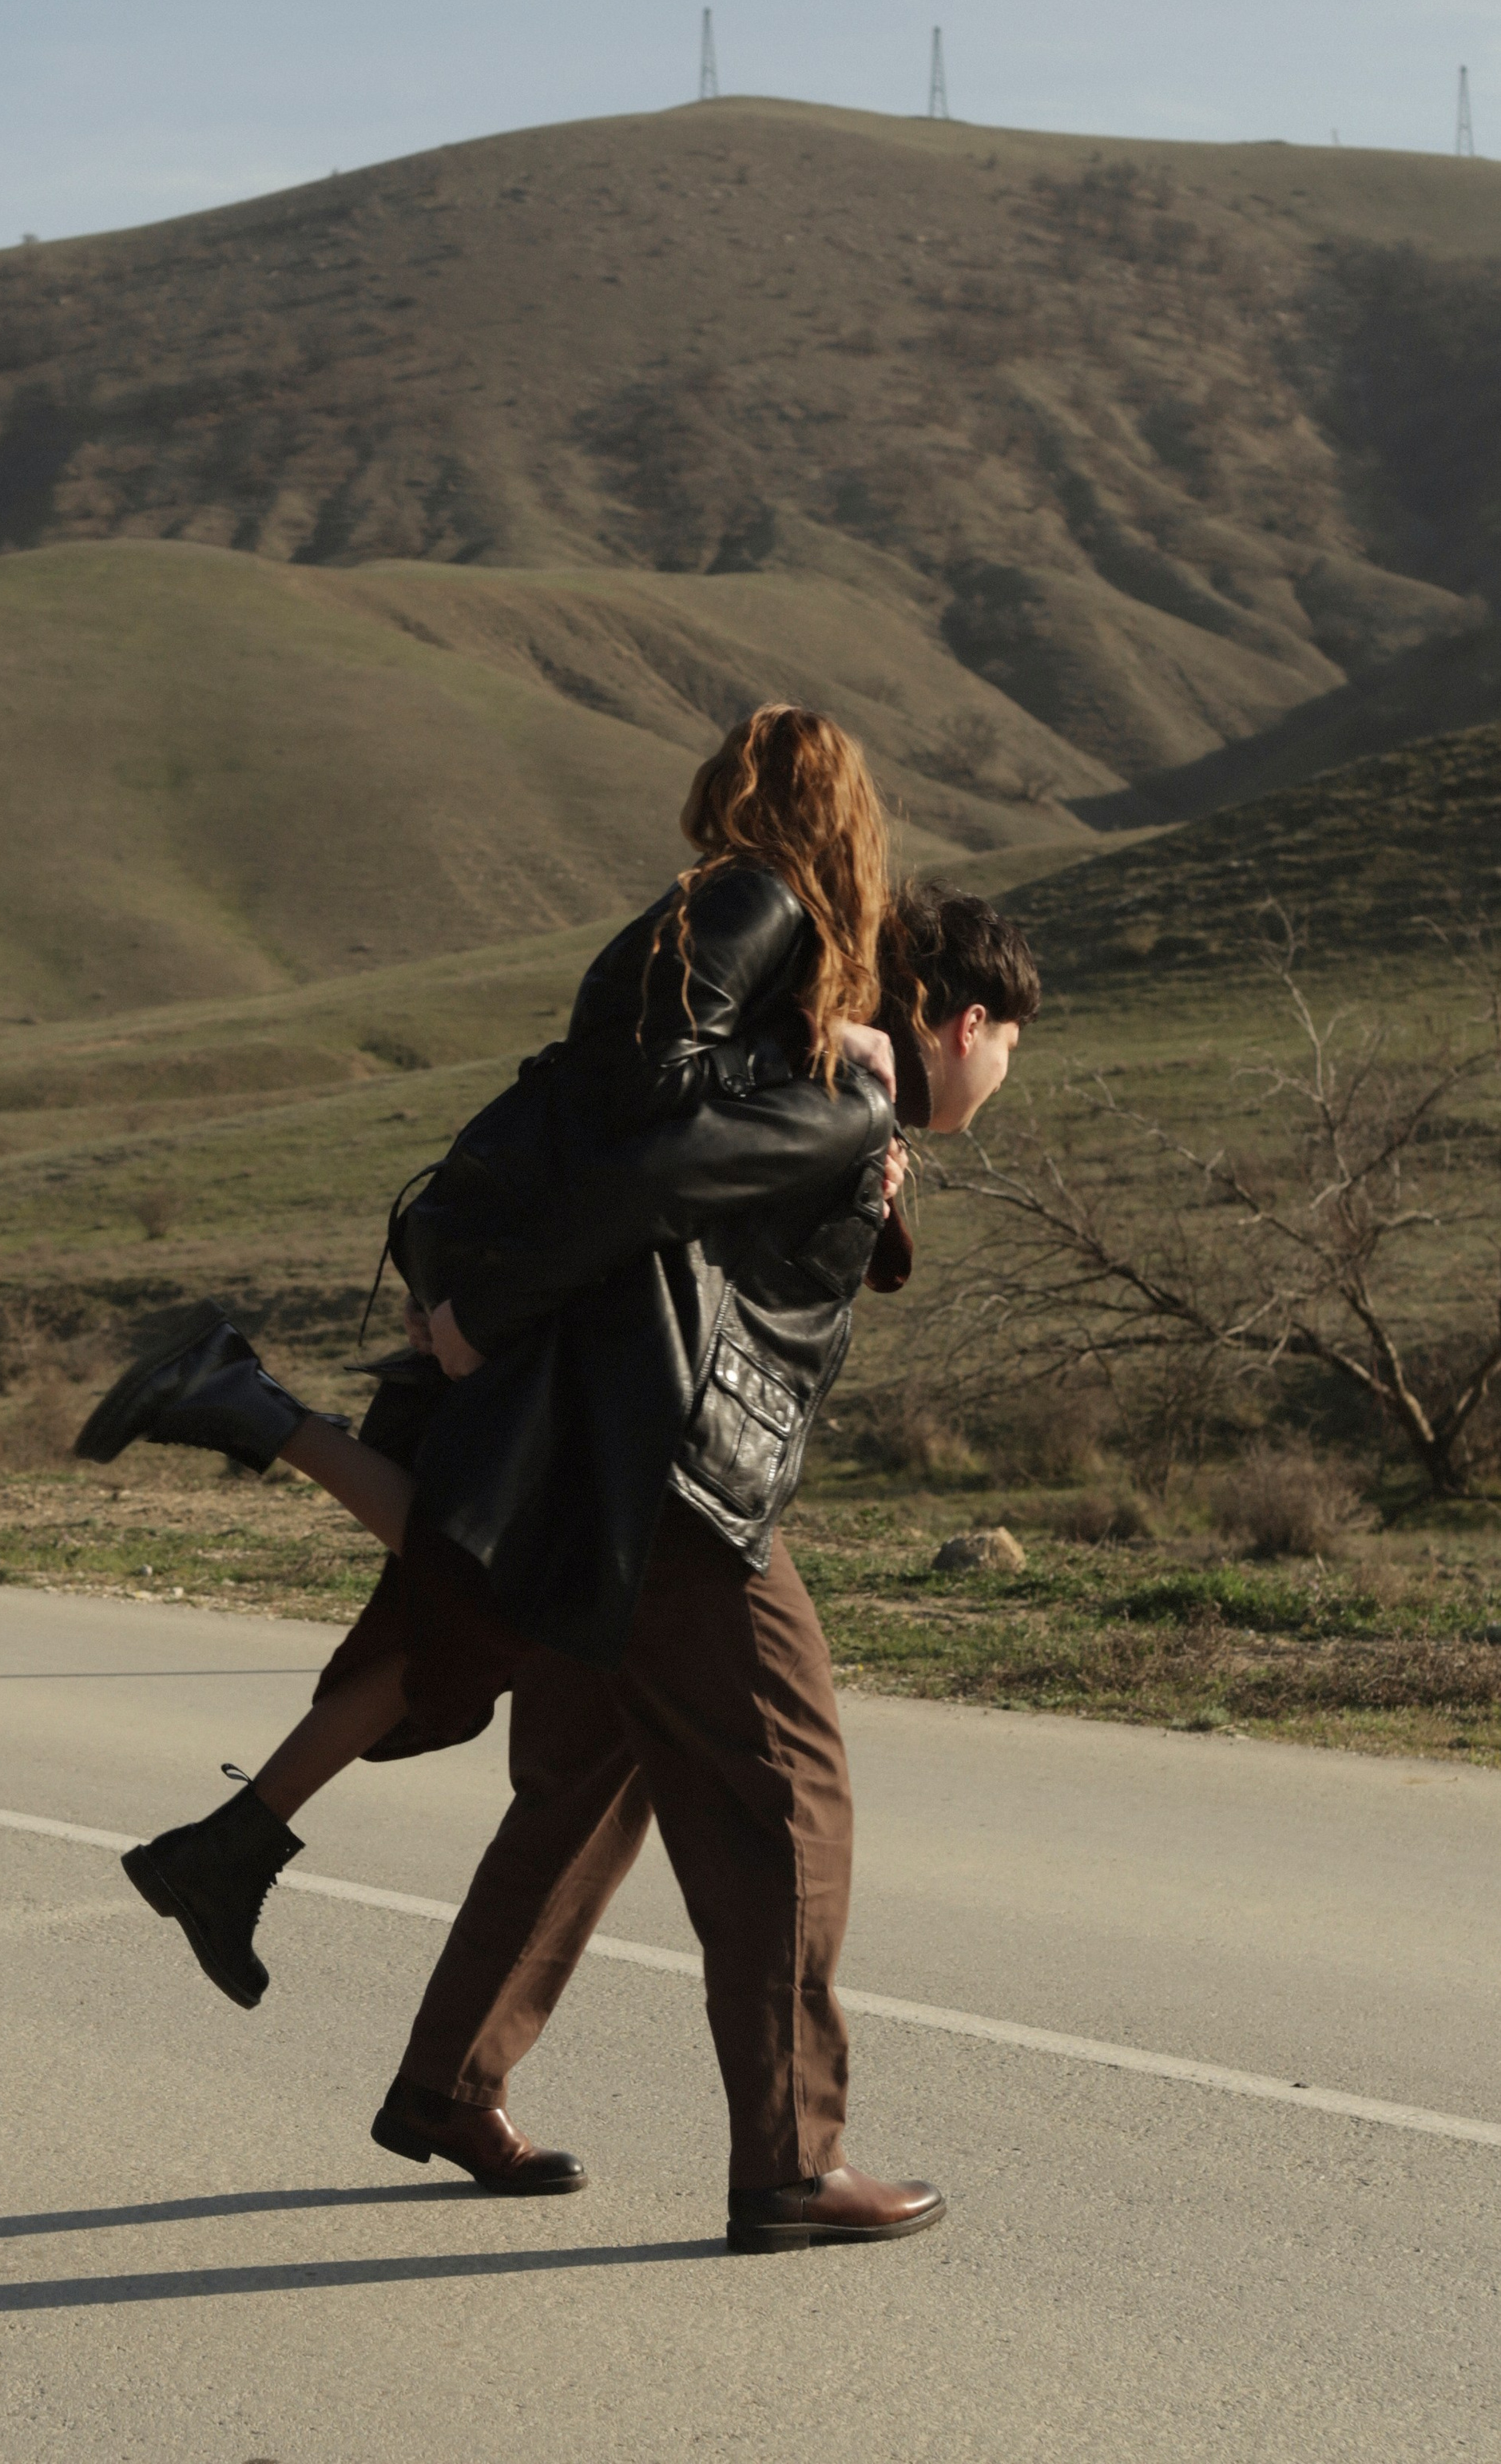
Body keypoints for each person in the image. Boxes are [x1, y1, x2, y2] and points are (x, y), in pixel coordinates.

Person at [73, 708, 903, 2035]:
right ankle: (242, 1405)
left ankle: (228, 1849)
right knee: (487, 1577)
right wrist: (821, 1072)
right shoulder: (756, 900)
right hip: (556, 1283)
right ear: (843, 814)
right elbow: (652, 1111)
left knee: (470, 1596)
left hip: (535, 1260)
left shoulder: (726, 912)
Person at [377, 877, 1038, 2248]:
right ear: (966, 1020)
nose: (1008, 1068)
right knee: (791, 1795)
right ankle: (791, 2164)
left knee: (584, 1783)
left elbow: (705, 1226)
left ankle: (449, 2082)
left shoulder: (799, 1075)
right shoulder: (835, 1089)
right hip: (674, 1482)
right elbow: (660, 1190)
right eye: (1012, 1041)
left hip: (594, 1468)